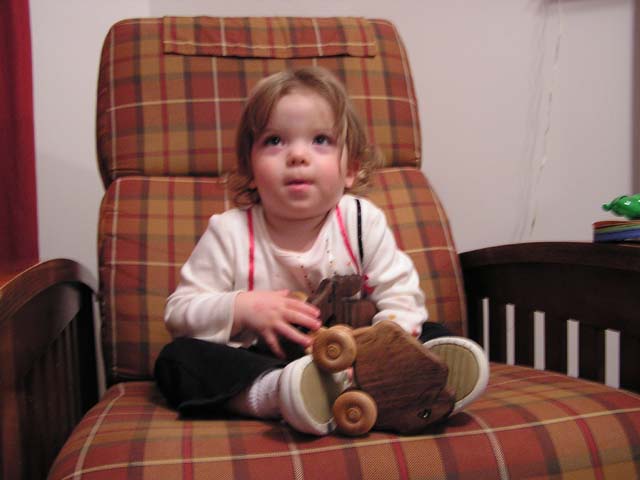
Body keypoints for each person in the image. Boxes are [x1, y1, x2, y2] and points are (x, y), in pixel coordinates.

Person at [154, 66, 488, 436]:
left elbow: (400, 293)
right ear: (249, 168)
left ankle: (421, 379)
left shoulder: (361, 221)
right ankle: (281, 395)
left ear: (351, 169)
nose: (297, 155)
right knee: (177, 360)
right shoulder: (229, 232)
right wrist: (242, 307)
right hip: (270, 361)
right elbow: (179, 313)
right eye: (274, 141)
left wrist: (385, 345)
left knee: (429, 330)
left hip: (363, 354)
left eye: (320, 140)